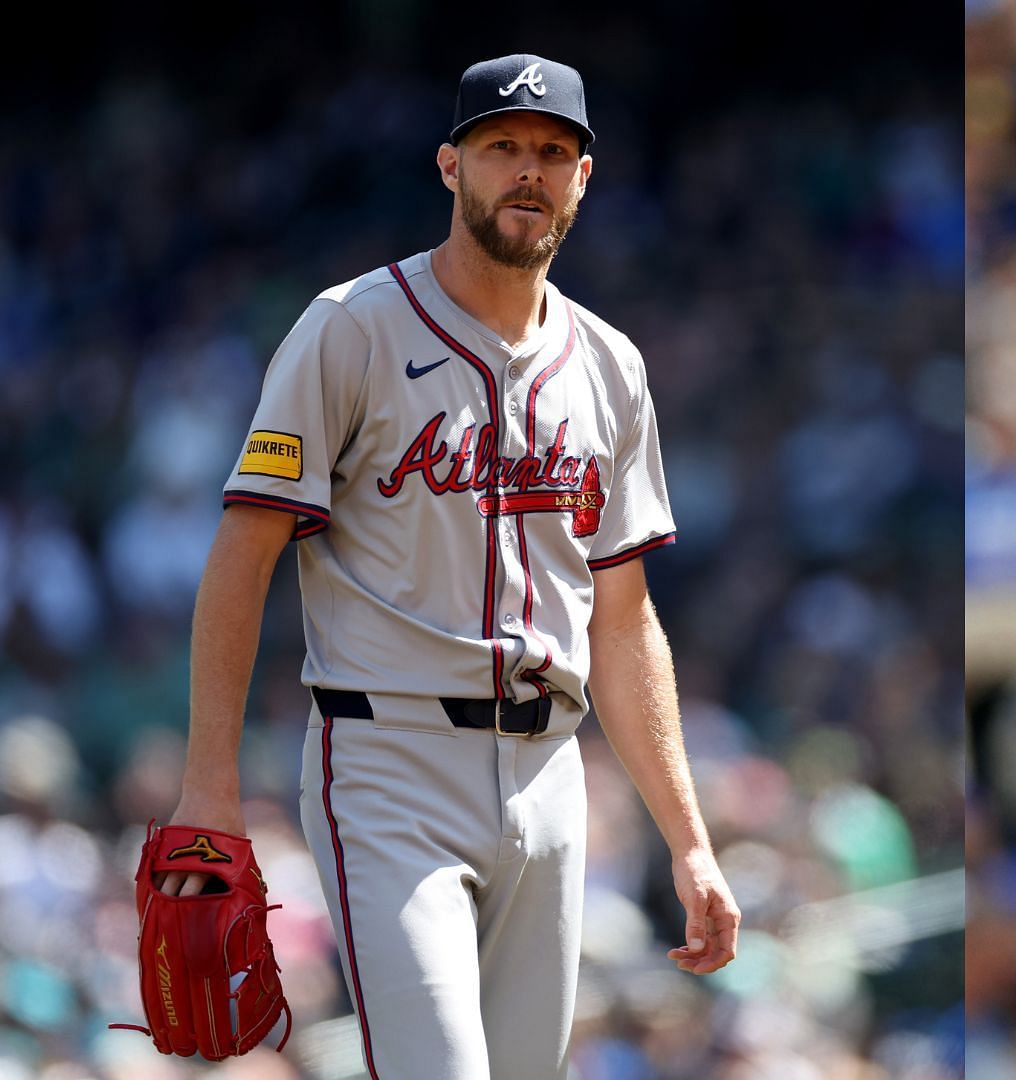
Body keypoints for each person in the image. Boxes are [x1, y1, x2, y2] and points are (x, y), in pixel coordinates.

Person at [160, 54, 739, 1078]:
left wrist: (687, 841)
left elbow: (622, 619)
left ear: (583, 180)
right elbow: (243, 554)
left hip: (552, 773)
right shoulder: (351, 328)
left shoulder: (611, 365)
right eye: (501, 148)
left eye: (553, 153)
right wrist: (208, 783)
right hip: (389, 760)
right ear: (450, 166)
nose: (528, 172)